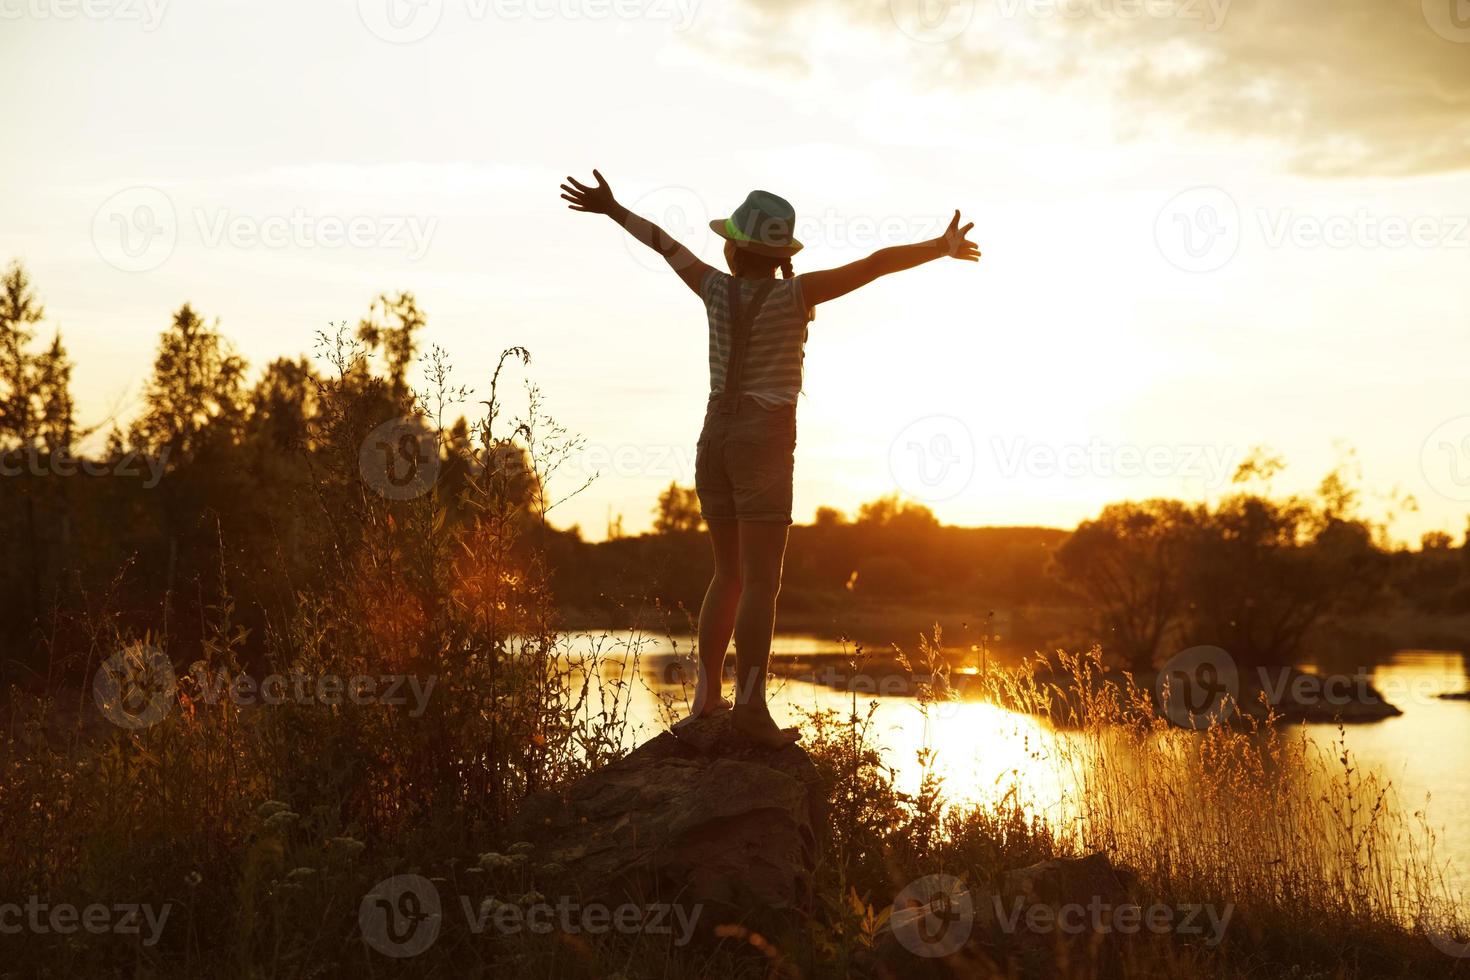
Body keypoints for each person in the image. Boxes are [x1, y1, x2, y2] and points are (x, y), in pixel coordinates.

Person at [561, 170, 980, 747]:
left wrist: (611, 208)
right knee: (762, 583)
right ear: (779, 252)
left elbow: (661, 242)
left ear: (733, 250)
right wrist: (938, 247)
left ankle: (707, 702)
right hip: (764, 440)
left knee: (727, 575)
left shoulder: (711, 285)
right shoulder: (797, 294)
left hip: (716, 435)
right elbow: (876, 263)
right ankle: (751, 711)